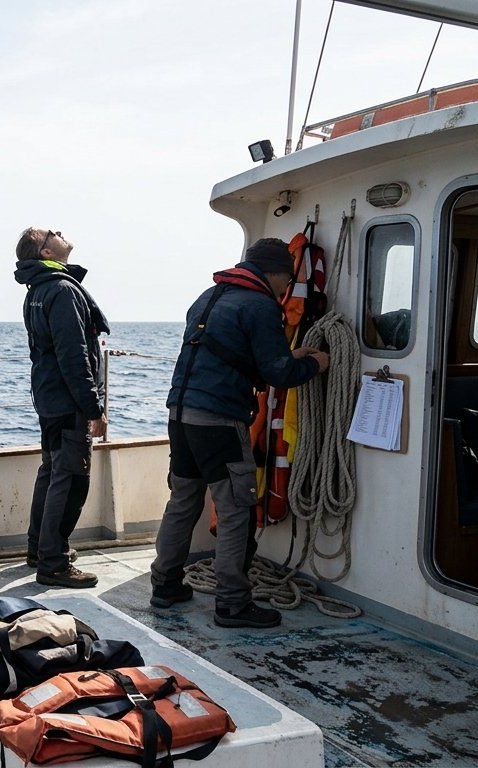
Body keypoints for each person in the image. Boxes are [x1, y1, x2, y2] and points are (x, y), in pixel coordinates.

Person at [149, 238, 329, 628]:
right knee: (235, 512)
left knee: (183, 501)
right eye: (287, 280)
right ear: (277, 273)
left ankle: (164, 585)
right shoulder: (261, 304)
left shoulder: (209, 295)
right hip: (219, 421)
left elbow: (233, 353)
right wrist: (317, 365)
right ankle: (231, 604)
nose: (286, 290)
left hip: (180, 414)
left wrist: (287, 356)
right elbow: (277, 374)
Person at [14, 228, 110, 588]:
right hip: (68, 399)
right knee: (70, 480)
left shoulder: (37, 290)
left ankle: (40, 548)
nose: (59, 231)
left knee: (52, 471)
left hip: (48, 396)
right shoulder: (63, 290)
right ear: (45, 251)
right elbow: (75, 356)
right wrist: (93, 408)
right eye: (50, 232)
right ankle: (53, 563)